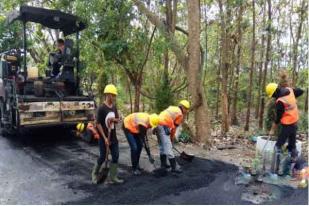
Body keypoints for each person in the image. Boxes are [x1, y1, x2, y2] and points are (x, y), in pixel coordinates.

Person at [266, 82, 303, 175]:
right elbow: (301, 91)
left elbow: (278, 118)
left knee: (278, 146)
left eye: (273, 96)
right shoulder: (290, 90)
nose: (274, 97)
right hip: (295, 123)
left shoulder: (280, 101)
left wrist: (272, 130)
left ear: (274, 93)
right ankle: (294, 170)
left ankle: (275, 171)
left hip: (287, 126)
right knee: (292, 146)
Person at [91, 84, 123, 184]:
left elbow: (117, 119)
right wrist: (104, 138)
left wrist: (115, 119)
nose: (114, 97)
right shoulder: (101, 108)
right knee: (102, 156)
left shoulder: (114, 107)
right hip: (104, 137)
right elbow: (98, 123)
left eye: (115, 95)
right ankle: (94, 174)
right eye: (113, 95)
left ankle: (113, 177)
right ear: (108, 95)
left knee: (116, 155)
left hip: (113, 137)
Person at [154, 100, 190, 174]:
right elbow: (174, 128)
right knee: (168, 146)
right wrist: (171, 138)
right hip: (164, 126)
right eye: (186, 109)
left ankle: (163, 165)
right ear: (183, 107)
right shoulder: (180, 114)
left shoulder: (172, 108)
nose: (186, 111)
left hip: (157, 124)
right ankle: (174, 167)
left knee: (162, 146)